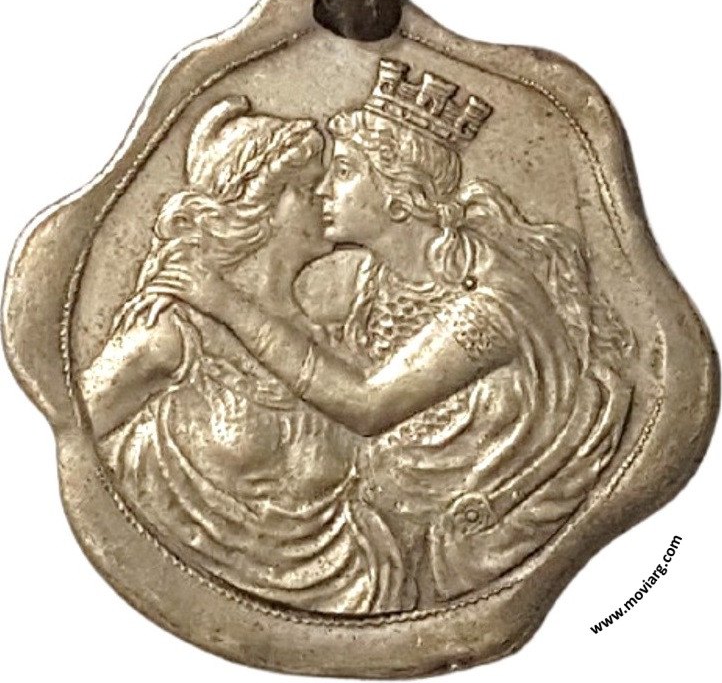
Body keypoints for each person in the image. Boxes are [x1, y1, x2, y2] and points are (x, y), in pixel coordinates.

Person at [146, 60, 634, 607]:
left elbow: (368, 406)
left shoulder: (488, 305)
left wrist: (221, 302)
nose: (322, 189)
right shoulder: (377, 279)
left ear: (399, 194)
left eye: (344, 171)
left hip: (476, 548)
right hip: (378, 531)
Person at [80, 95, 404, 614]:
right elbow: (71, 437)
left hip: (354, 596)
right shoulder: (176, 332)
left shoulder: (333, 347)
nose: (325, 195)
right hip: (178, 595)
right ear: (261, 207)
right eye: (306, 188)